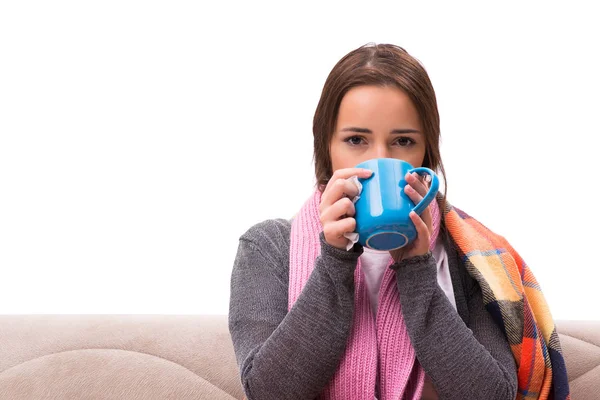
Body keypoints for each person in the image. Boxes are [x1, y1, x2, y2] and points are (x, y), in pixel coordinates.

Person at [228, 43, 570, 400]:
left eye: (403, 141)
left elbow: (492, 395)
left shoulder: (467, 253)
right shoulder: (267, 248)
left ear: (426, 154)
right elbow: (268, 392)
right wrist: (334, 260)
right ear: (326, 147)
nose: (379, 159)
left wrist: (417, 270)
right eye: (356, 139)